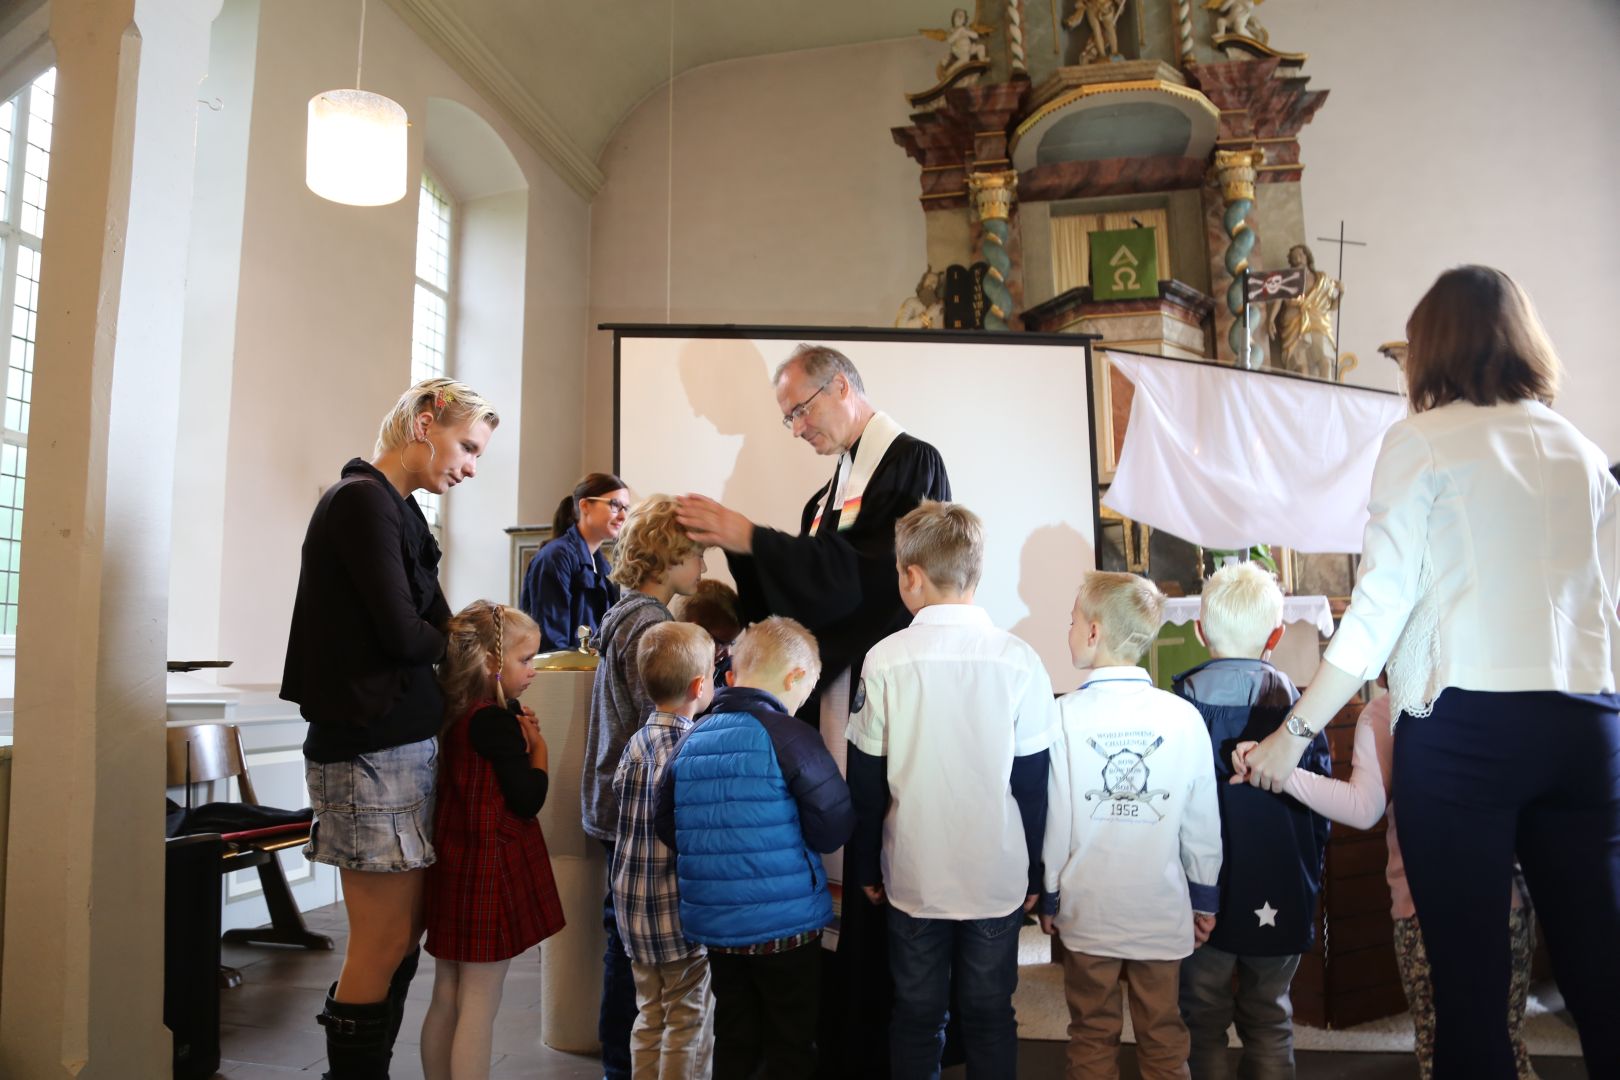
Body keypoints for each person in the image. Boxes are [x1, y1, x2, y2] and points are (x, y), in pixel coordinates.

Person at [1236, 266, 1620, 1078]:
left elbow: (1377, 610)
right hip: (1588, 724)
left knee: (1470, 993)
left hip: (1470, 730)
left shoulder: (1421, 441)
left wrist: (1293, 732)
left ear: (1432, 347)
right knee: (1602, 976)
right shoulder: (1579, 449)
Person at [676, 343, 950, 1077]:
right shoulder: (826, 495)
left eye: (799, 410)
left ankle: (879, 1045)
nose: (795, 427)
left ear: (840, 388)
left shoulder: (908, 462)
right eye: (788, 417)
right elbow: (799, 604)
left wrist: (751, 538)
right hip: (834, 696)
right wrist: (746, 555)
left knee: (874, 870)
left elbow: (867, 582)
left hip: (882, 692)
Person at [281, 377, 498, 1076]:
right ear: (425, 422)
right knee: (380, 942)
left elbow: (439, 624)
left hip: (399, 749)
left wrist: (475, 643)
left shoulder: (401, 511)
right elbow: (411, 635)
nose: (469, 466)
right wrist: (461, 643)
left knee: (403, 937)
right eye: (466, 446)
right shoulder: (360, 502)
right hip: (366, 752)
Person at [844, 501, 1056, 1079]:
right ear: (974, 574)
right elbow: (1033, 785)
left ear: (910, 576)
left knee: (916, 1013)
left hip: (915, 873)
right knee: (990, 1013)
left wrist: (865, 864)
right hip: (995, 874)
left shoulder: (885, 659)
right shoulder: (1020, 661)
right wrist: (1036, 872)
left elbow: (865, 780)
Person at [1242, 686, 1539, 1079]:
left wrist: (1282, 771)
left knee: (1439, 1047)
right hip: (1504, 901)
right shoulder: (1489, 696)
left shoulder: (1386, 711)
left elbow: (1364, 808)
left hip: (1423, 908)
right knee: (1507, 1040)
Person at [654, 617, 856, 1080]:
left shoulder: (691, 740)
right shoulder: (792, 737)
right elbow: (832, 826)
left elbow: (668, 824)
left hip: (719, 930)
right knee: (790, 1041)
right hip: (785, 928)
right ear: (795, 678)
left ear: (731, 676)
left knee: (735, 1035)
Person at [1041, 571, 1223, 1080]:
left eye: (1072, 620)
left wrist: (1051, 895)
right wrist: (1204, 896)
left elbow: (1056, 819)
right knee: (1165, 1037)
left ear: (1094, 632)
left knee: (1092, 1033)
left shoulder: (1064, 716)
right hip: (1159, 910)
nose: (1069, 630)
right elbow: (1201, 823)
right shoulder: (1183, 717)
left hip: (1089, 910)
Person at [1171, 562, 1330, 1080]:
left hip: (1201, 901)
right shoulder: (1300, 712)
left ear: (1198, 630)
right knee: (1269, 1018)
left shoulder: (1180, 707)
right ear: (1277, 635)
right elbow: (1321, 811)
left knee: (1202, 1019)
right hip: (1280, 888)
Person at [583, 495, 707, 1080]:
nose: (704, 566)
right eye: (697, 554)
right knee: (628, 944)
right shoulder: (653, 626)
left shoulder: (624, 612)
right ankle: (621, 1065)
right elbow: (660, 718)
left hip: (614, 795)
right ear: (668, 556)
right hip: (638, 802)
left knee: (624, 934)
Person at [420, 602, 564, 1080]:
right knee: (480, 1002)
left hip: (454, 866)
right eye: (526, 660)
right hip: (488, 874)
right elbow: (526, 799)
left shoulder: (456, 713)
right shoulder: (495, 723)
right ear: (490, 662)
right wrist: (539, 752)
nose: (533, 672)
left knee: (446, 994)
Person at [611, 622, 718, 1080]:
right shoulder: (691, 748)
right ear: (699, 687)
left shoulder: (636, 742)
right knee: (688, 1022)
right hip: (677, 916)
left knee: (649, 1015)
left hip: (633, 911)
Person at [520, 472, 629, 651]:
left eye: (626, 508)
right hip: (563, 676)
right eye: (615, 505)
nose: (623, 516)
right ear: (585, 505)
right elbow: (552, 644)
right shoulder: (556, 557)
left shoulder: (600, 567)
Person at [670, 577, 743, 685]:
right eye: (721, 643)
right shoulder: (667, 676)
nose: (728, 653)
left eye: (731, 643)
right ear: (694, 630)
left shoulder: (730, 670)